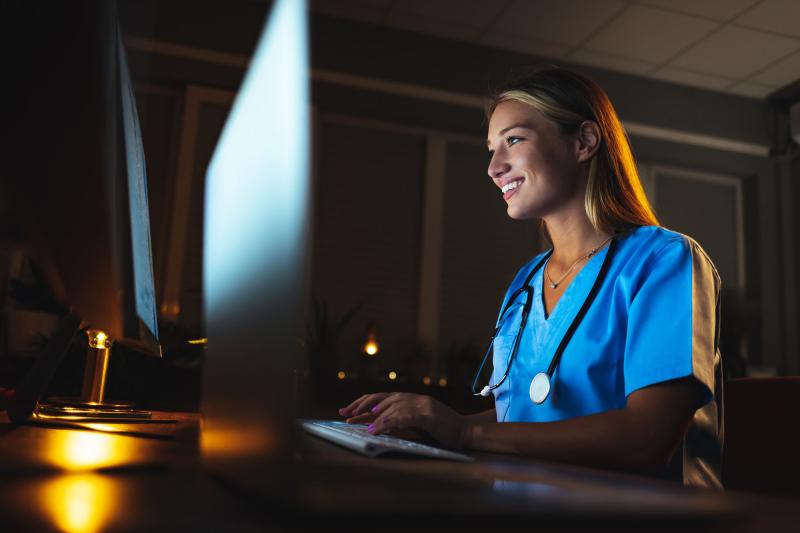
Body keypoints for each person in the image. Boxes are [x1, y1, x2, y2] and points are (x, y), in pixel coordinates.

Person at [339, 66, 723, 488]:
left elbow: (647, 438)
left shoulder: (664, 260)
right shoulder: (526, 280)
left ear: (584, 141)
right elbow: (525, 414)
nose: (493, 167)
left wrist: (466, 432)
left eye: (514, 140)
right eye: (491, 147)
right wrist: (435, 426)